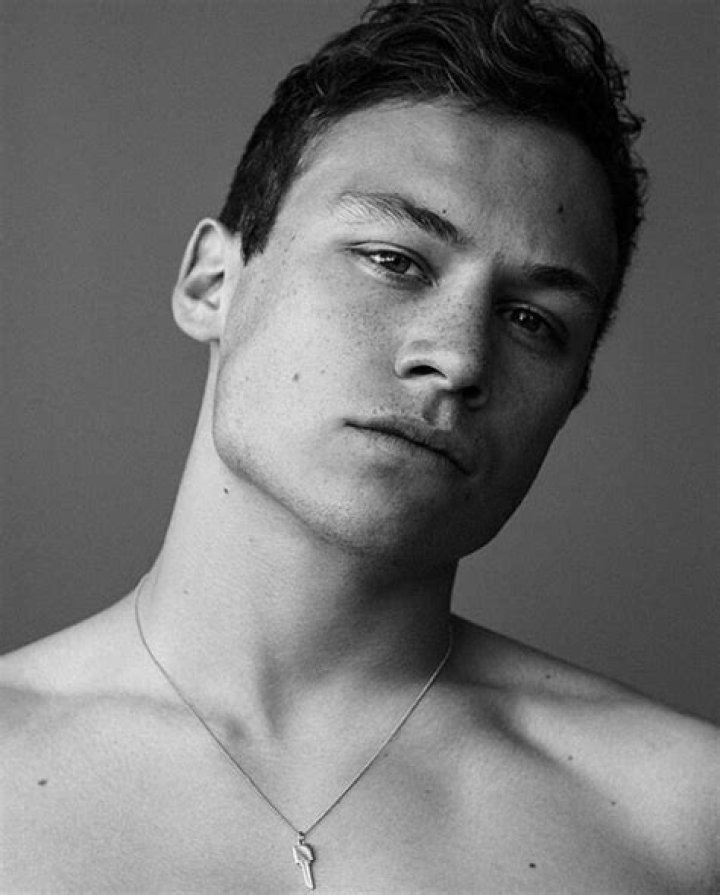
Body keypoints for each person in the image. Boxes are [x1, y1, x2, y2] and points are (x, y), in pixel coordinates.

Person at [1, 0, 717, 891]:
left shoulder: (682, 821)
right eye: (393, 259)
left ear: (572, 396)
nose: (458, 358)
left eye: (533, 321)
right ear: (214, 282)